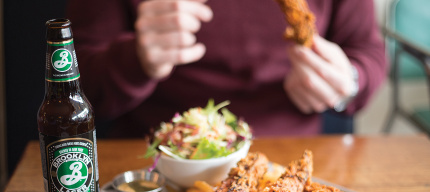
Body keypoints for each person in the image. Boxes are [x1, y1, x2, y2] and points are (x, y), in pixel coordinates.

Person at [66, 0, 387, 138]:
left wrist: (349, 80)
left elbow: (368, 52)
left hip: (292, 155)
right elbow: (74, 83)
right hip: (159, 161)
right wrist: (136, 59)